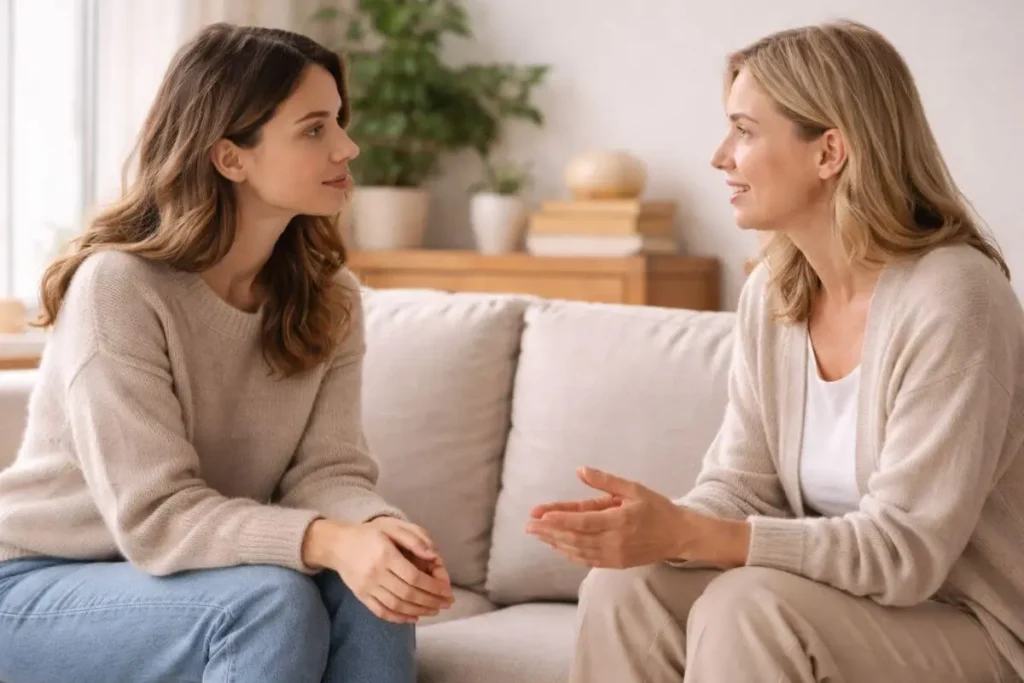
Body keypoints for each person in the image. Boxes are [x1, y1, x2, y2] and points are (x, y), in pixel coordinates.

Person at [527, 19, 1024, 683]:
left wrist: (695, 535)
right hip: (836, 601)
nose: (719, 155)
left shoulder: (955, 294)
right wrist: (656, 527)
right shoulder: (774, 291)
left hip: (968, 623)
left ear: (830, 152)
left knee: (748, 607)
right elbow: (741, 483)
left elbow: (907, 551)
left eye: (744, 129)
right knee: (625, 586)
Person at [0, 23, 454, 683]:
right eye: (314, 129)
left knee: (376, 591)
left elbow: (327, 473)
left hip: (196, 578)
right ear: (230, 157)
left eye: (339, 124)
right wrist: (327, 538)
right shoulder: (118, 287)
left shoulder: (331, 297)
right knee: (270, 602)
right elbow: (157, 517)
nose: (348, 147)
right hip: (37, 584)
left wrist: (382, 536)